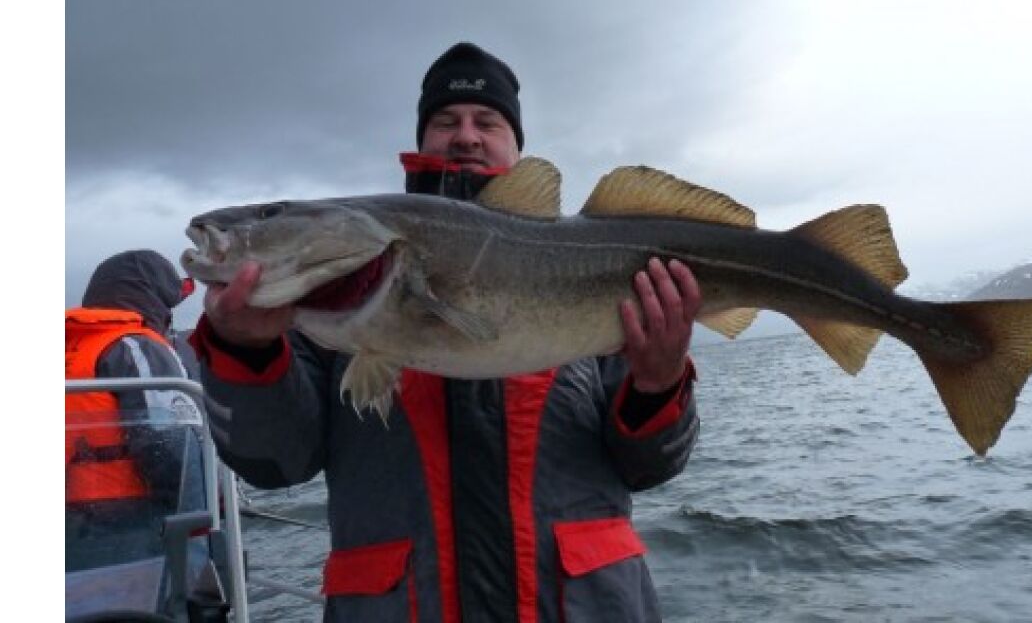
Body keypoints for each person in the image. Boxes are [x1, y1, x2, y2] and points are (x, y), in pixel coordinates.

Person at [191, 42, 702, 621]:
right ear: (420, 138)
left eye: (487, 121)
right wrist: (246, 351)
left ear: (516, 145)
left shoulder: (605, 270)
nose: (466, 136)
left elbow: (650, 467)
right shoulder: (313, 310)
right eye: (445, 121)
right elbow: (275, 464)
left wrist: (658, 385)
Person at [66, 249, 206, 572]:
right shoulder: (135, 347)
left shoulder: (70, 351)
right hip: (133, 529)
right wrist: (201, 526)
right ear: (154, 299)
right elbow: (172, 452)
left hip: (71, 535)